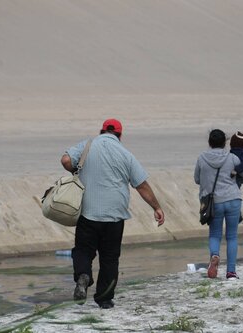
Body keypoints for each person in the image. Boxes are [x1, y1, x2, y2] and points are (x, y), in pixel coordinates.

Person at [60, 118, 165, 309]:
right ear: (120, 135)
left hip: (88, 212)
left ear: (101, 131)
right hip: (115, 215)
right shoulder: (126, 154)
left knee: (83, 250)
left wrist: (76, 169)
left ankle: (83, 275)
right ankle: (105, 299)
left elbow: (65, 160)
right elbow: (141, 185)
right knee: (109, 257)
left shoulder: (87, 145)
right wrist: (156, 207)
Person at [194, 129, 243, 280]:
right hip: (233, 200)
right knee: (232, 237)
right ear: (225, 142)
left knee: (215, 234)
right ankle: (231, 273)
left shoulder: (201, 158)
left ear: (209, 142)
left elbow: (197, 179)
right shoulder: (232, 158)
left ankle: (215, 255)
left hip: (214, 203)